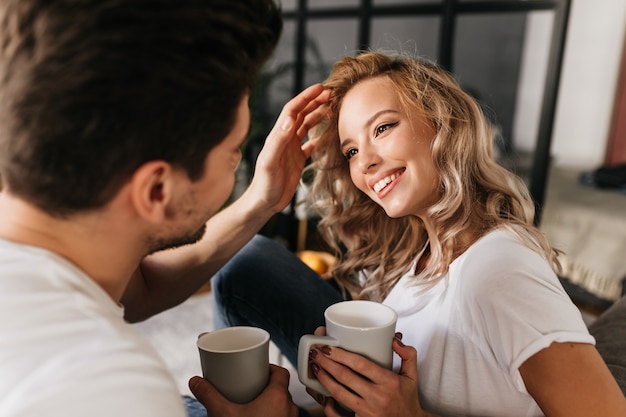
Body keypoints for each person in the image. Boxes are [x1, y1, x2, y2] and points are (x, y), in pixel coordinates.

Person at [211, 51, 626, 417]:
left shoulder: (498, 269)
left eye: (383, 128)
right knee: (243, 263)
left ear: (442, 122)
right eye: (351, 150)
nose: (366, 162)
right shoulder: (425, 255)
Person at [0, 1, 330, 416]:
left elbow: (137, 291)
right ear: (157, 189)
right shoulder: (109, 384)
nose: (238, 165)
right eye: (232, 155)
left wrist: (260, 201)